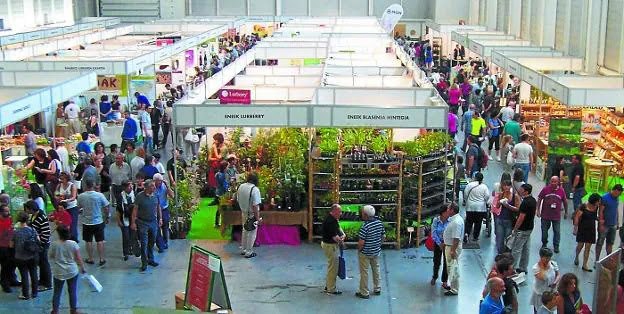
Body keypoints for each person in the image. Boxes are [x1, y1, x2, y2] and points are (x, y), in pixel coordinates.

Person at [48, 225, 86, 314]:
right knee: (72, 290)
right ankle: (73, 310)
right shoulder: (73, 244)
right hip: (72, 270)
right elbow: (78, 257)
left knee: (57, 292)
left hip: (58, 271)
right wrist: (82, 267)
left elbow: (51, 256)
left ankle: (55, 311)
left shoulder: (54, 244)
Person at [131, 180, 162, 272]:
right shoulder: (139, 197)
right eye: (152, 186)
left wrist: (160, 219)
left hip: (153, 222)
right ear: (147, 187)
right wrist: (133, 222)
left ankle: (151, 259)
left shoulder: (156, 195)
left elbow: (158, 207)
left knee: (152, 241)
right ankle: (144, 262)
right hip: (142, 222)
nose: (154, 187)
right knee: (144, 243)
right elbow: (135, 210)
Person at [77, 180, 109, 266]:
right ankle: (101, 259)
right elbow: (106, 206)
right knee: (100, 240)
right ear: (93, 185)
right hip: (98, 221)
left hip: (87, 222)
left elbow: (78, 207)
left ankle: (90, 258)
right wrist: (106, 217)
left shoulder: (81, 196)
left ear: (85, 186)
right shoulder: (99, 195)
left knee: (88, 241)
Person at [355, 205, 385, 299]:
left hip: (365, 253)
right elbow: (383, 236)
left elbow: (361, 242)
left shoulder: (365, 226)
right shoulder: (379, 223)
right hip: (376, 251)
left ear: (365, 215)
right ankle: (377, 288)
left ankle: (364, 292)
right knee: (376, 269)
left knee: (364, 272)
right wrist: (378, 245)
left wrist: (359, 250)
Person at [507, 183, 536, 274]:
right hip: (529, 228)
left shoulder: (525, 203)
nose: (519, 190)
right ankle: (523, 267)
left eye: (521, 189)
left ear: (526, 191)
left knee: (516, 249)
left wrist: (515, 229)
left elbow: (521, 217)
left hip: (522, 229)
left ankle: (512, 268)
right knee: (526, 248)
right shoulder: (533, 200)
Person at [24, 200, 52, 292]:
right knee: (41, 263)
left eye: (27, 209)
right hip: (38, 244)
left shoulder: (41, 217)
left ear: (31, 209)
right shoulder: (34, 215)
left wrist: (40, 244)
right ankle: (43, 280)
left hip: (42, 244)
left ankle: (47, 283)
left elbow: (46, 233)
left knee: (44, 263)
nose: (26, 211)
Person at [10, 211, 39, 300]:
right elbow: (38, 240)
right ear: (27, 219)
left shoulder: (15, 232)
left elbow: (11, 245)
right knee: (34, 274)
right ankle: (34, 292)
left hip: (20, 257)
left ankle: (25, 294)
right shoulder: (32, 230)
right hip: (32, 256)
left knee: (24, 275)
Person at [537, 176, 568, 253]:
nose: (553, 183)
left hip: (556, 216)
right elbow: (539, 198)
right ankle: (544, 243)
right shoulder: (545, 189)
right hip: (545, 215)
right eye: (552, 181)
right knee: (544, 231)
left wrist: (566, 212)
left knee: (557, 231)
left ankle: (556, 246)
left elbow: (565, 201)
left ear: (558, 182)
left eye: (555, 181)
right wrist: (538, 210)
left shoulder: (561, 191)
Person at [235, 173, 262, 258]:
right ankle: (249, 252)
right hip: (251, 214)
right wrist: (258, 219)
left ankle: (243, 249)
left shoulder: (241, 186)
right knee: (251, 232)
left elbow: (237, 199)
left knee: (245, 230)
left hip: (243, 212)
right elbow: (255, 206)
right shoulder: (255, 190)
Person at [320, 204, 345, 295]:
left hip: (329, 245)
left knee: (331, 266)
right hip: (331, 246)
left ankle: (329, 285)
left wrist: (343, 234)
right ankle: (331, 289)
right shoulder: (330, 222)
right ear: (334, 211)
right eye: (339, 212)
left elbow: (338, 228)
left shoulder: (332, 219)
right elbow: (335, 237)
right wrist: (342, 242)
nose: (341, 213)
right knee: (333, 268)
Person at [574, 193, 600, 272]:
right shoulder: (583, 207)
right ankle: (577, 256)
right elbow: (577, 217)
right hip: (583, 229)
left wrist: (599, 220)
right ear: (594, 201)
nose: (599, 203)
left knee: (588, 247)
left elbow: (595, 216)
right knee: (580, 245)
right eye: (598, 201)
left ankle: (585, 264)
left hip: (591, 229)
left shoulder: (596, 207)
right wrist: (575, 228)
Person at [442, 203, 463, 296]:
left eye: (448, 209)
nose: (447, 211)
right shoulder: (455, 220)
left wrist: (452, 250)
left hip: (452, 247)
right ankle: (453, 286)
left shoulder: (456, 222)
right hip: (450, 246)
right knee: (451, 267)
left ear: (452, 210)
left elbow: (456, 238)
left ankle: (454, 289)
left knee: (453, 268)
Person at [596, 184, 622, 260]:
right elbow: (600, 211)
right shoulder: (605, 198)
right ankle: (597, 260)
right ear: (614, 190)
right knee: (600, 243)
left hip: (613, 224)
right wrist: (601, 224)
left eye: (619, 194)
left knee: (610, 243)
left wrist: (617, 222)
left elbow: (616, 210)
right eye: (617, 193)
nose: (617, 195)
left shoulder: (616, 198)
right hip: (605, 225)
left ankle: (608, 259)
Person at [530, 247, 560, 312]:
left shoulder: (553, 264)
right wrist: (542, 267)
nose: (548, 260)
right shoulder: (536, 268)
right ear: (541, 257)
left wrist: (555, 282)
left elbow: (558, 275)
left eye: (549, 258)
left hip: (550, 294)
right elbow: (543, 277)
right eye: (546, 258)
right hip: (540, 295)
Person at [463, 172, 490, 242]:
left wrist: (467, 201)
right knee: (478, 223)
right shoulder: (484, 187)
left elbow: (465, 194)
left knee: (469, 221)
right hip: (480, 208)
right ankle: (475, 237)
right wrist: (483, 201)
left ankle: (466, 234)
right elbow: (487, 196)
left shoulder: (469, 185)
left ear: (475, 177)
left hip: (470, 206)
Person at [493, 179, 516, 253]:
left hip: (509, 220)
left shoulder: (514, 196)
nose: (506, 187)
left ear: (510, 186)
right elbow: (497, 206)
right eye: (504, 186)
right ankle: (500, 254)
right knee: (499, 240)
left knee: (508, 240)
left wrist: (508, 205)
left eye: (508, 186)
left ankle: (506, 256)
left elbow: (518, 209)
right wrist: (500, 202)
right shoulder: (501, 194)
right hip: (500, 219)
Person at [119, 180, 140, 261]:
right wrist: (119, 221)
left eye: (131, 185)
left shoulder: (135, 194)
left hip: (134, 218)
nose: (131, 187)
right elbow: (118, 210)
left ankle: (134, 249)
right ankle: (126, 253)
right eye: (129, 186)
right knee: (125, 236)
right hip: (125, 219)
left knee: (133, 235)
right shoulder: (120, 196)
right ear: (124, 187)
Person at [55, 172, 78, 241]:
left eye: (62, 179)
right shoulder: (59, 185)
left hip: (72, 207)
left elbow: (74, 197)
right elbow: (55, 194)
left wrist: (66, 200)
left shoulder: (72, 186)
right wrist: (58, 198)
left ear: (67, 179)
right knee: (63, 224)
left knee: (72, 224)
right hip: (63, 208)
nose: (61, 180)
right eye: (60, 178)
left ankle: (74, 239)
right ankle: (65, 238)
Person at [153, 173, 174, 252]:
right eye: (158, 182)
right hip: (155, 211)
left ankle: (165, 242)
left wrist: (168, 186)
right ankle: (160, 245)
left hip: (164, 209)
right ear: (154, 181)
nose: (159, 183)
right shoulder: (152, 188)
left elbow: (172, 196)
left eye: (161, 181)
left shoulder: (164, 186)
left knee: (165, 227)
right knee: (157, 228)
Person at [430, 208, 450, 290]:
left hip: (447, 243)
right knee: (436, 260)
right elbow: (433, 233)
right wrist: (439, 243)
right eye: (446, 212)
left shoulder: (450, 221)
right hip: (438, 243)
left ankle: (444, 281)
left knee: (446, 262)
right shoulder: (436, 220)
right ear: (442, 213)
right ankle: (434, 276)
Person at [0, 204, 16, 293]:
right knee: (5, 265)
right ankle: (5, 283)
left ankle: (12, 279)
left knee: (12, 263)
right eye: (6, 211)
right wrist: (9, 230)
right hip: (2, 246)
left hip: (11, 244)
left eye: (8, 210)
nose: (8, 212)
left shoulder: (9, 218)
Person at [214, 161, 229, 226]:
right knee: (223, 208)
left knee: (219, 209)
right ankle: (223, 222)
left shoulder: (217, 174)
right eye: (227, 166)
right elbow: (224, 185)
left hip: (218, 192)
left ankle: (217, 223)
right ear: (225, 167)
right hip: (222, 193)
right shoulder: (223, 175)